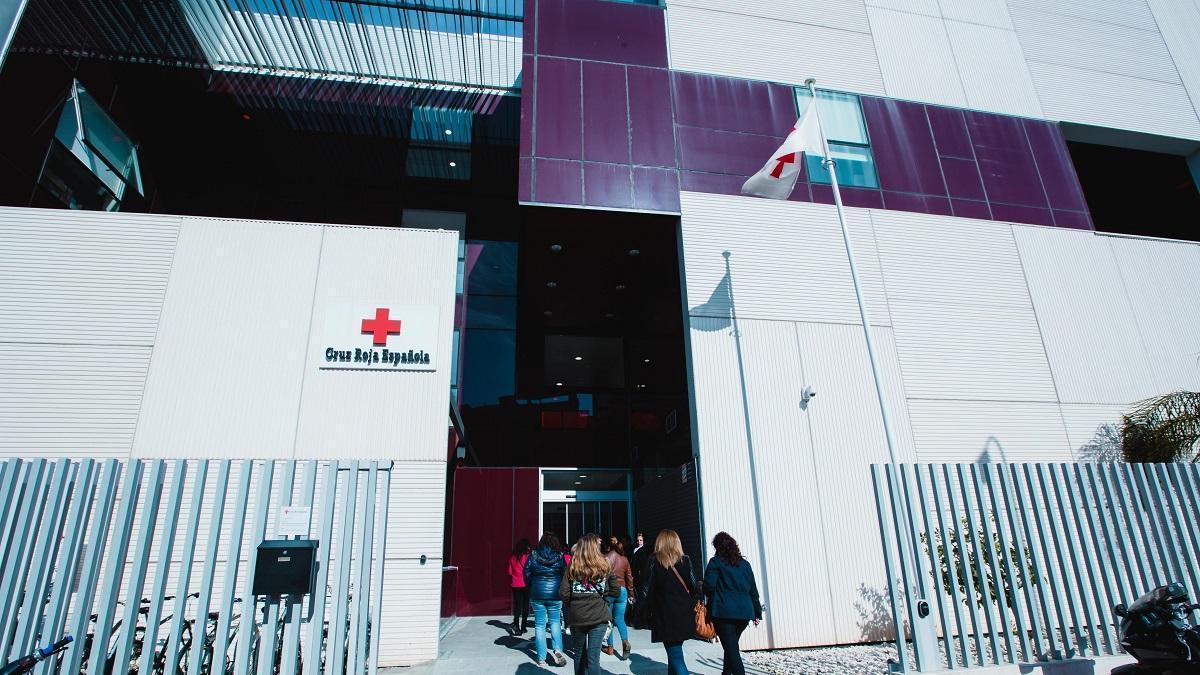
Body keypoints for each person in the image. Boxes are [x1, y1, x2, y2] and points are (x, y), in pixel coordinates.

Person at [639, 529, 699, 675]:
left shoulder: (654, 560)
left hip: (665, 614)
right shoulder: (686, 560)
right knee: (674, 655)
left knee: (676, 657)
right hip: (684, 612)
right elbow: (694, 586)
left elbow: (646, 589)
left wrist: (640, 611)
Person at [703, 532, 762, 675]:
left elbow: (708, 587)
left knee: (732, 651)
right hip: (744, 613)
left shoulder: (715, 562)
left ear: (717, 547)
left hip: (724, 613)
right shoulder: (745, 565)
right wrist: (757, 613)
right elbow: (753, 590)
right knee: (731, 648)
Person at [559, 533, 619, 675]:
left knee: (579, 654)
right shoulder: (605, 564)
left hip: (578, 616)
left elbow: (563, 592)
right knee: (594, 658)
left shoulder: (573, 566)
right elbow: (616, 590)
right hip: (599, 616)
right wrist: (604, 597)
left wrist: (572, 604)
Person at [524, 532, 569, 667]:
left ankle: (541, 658)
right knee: (555, 622)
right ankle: (558, 650)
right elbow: (564, 573)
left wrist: (531, 585)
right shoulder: (560, 556)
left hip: (537, 593)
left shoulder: (533, 555)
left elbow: (526, 572)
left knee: (539, 625)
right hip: (555, 594)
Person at [601, 536, 634, 658]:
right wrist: (631, 593)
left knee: (608, 620)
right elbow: (629, 578)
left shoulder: (606, 558)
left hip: (609, 590)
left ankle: (610, 648)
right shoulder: (625, 559)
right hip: (622, 590)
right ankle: (625, 642)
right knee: (620, 619)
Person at [508, 538, 531, 634]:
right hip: (526, 583)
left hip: (516, 584)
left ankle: (516, 626)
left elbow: (509, 571)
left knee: (518, 606)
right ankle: (524, 627)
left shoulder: (512, 557)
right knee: (526, 606)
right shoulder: (528, 557)